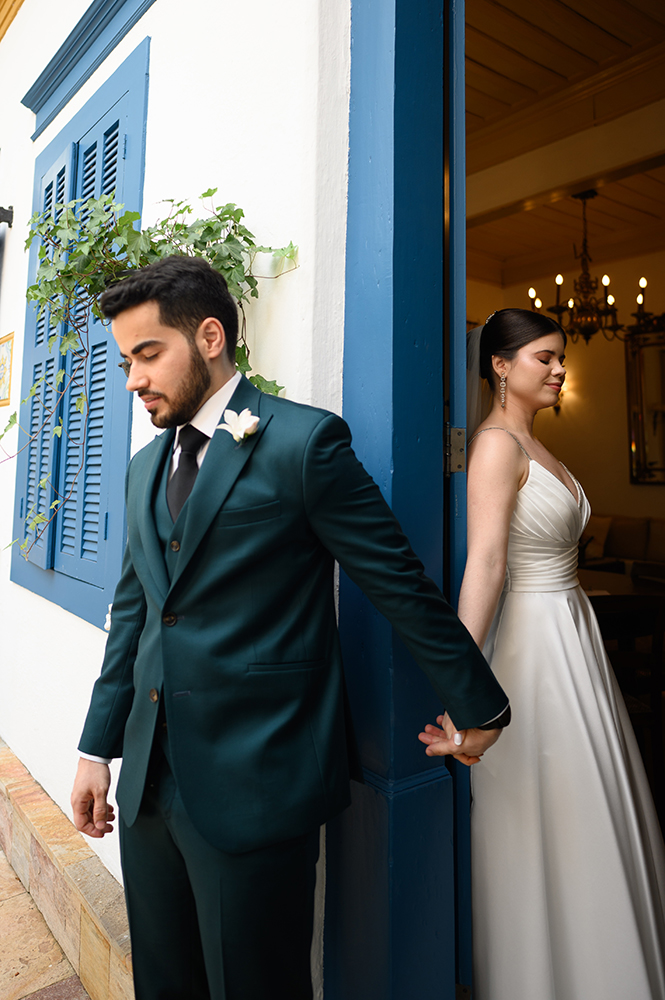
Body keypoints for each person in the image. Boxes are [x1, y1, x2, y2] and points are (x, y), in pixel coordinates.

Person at [70, 255, 510, 1000]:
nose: (132, 380)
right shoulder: (144, 467)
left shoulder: (304, 444)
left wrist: (481, 706)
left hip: (257, 782)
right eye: (124, 361)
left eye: (147, 354)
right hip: (146, 790)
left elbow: (396, 582)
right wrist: (95, 747)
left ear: (209, 336)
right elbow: (137, 617)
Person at [420, 308, 665, 999]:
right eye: (544, 359)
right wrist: (460, 683)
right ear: (499, 366)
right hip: (531, 644)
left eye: (560, 359)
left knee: (583, 807)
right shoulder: (496, 445)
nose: (559, 370)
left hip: (571, 636)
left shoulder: (532, 442)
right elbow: (486, 565)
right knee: (542, 811)